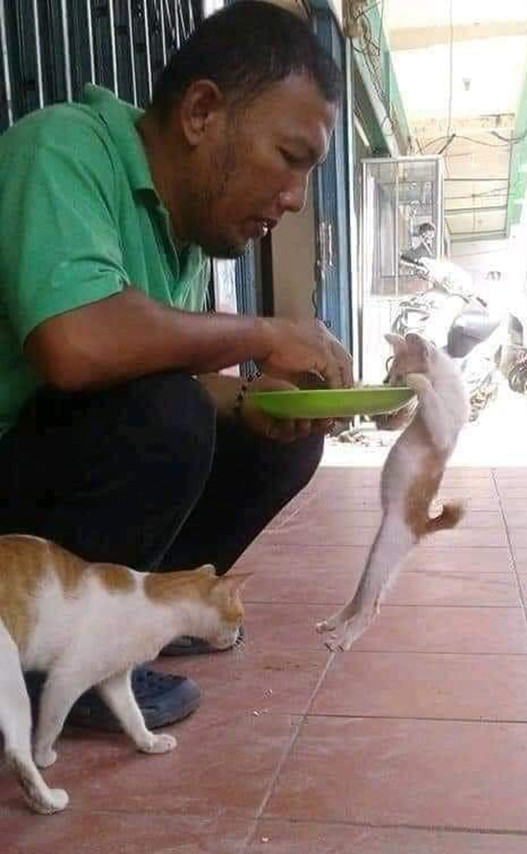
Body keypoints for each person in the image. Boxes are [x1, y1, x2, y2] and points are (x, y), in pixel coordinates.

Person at [0, 1, 353, 729]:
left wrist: (257, 400)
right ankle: (49, 667)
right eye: (289, 160)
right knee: (166, 415)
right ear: (201, 112)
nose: (292, 199)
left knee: (267, 433)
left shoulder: (184, 234)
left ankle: (154, 616)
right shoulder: (60, 150)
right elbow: (77, 344)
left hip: (45, 494)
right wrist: (257, 333)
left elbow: (173, 370)